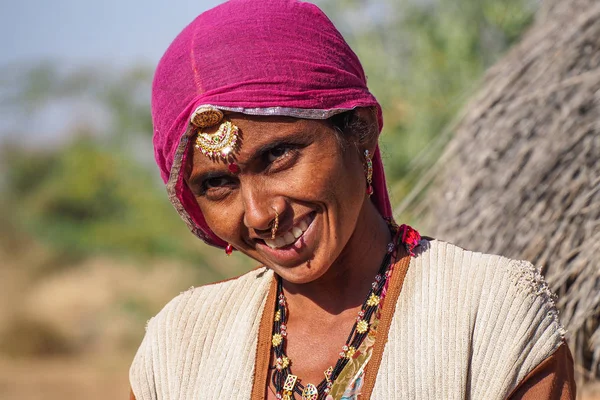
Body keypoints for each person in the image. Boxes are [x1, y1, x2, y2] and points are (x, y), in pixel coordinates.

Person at [129, 1, 575, 399]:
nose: (262, 214)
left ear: (360, 128)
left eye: (279, 155)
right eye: (217, 185)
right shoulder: (179, 345)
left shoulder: (491, 312)